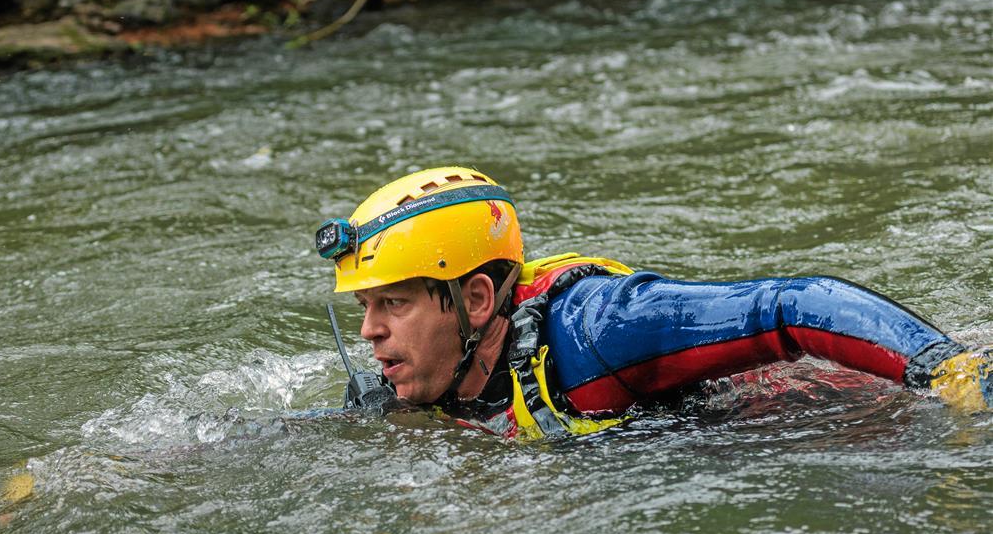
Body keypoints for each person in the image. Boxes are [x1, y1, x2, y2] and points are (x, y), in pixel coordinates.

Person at [315, 167, 992, 440]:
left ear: (477, 298)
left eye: (394, 305)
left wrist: (948, 370)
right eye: (366, 307)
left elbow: (794, 305)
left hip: (848, 410)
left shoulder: (602, 327)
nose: (371, 333)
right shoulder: (409, 380)